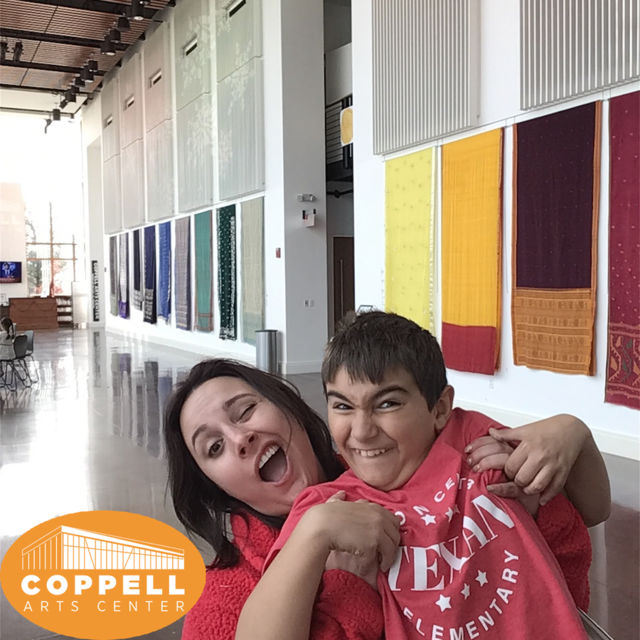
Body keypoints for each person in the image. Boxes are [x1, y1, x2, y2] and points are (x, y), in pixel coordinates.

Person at [164, 356, 608, 640]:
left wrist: (570, 435)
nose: (240, 438)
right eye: (214, 448)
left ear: (289, 407)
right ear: (214, 486)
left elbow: (576, 528)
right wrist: (314, 539)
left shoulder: (424, 464)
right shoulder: (222, 601)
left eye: (245, 411)